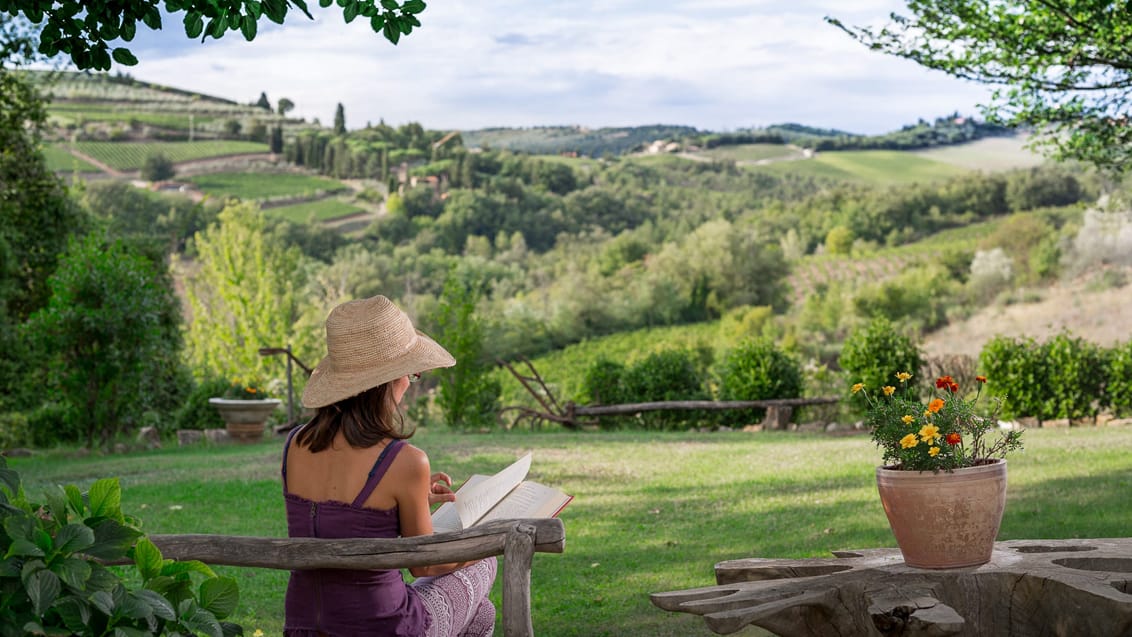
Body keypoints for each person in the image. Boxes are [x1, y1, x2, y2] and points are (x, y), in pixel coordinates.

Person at [281, 295, 498, 637]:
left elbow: (336, 522)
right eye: (410, 375)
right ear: (387, 381)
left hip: (304, 627)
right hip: (385, 627)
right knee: (486, 563)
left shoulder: (294, 444)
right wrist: (482, 543)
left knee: (481, 613)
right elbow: (424, 563)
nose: (407, 385)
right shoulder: (406, 461)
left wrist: (405, 505)